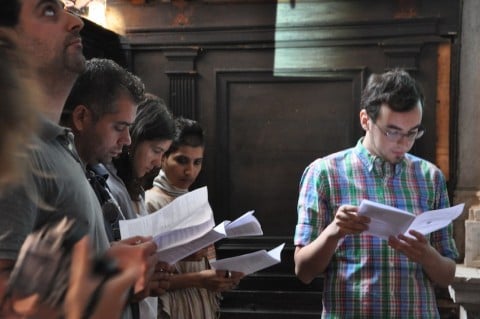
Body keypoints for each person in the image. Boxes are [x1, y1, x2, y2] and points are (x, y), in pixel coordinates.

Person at [0, 2, 157, 318]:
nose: (76, 22)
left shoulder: (58, 146)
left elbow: (43, 270)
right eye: (48, 11)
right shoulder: (18, 152)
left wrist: (107, 258)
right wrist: (109, 275)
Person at [293, 69, 459, 318]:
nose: (403, 143)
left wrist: (426, 255)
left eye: (412, 132)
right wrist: (333, 232)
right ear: (365, 120)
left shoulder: (430, 177)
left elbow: (447, 273)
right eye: (392, 131)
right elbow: (303, 271)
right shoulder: (324, 173)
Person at [62, 60, 172, 319]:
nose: (127, 140)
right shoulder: (55, 170)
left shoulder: (87, 172)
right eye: (119, 128)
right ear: (81, 117)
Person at [145, 117, 243, 319]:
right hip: (168, 309)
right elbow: (145, 279)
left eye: (197, 162)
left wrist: (223, 278)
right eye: (182, 160)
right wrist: (198, 279)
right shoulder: (149, 202)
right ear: (163, 157)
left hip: (201, 305)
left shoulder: (199, 204)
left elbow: (208, 263)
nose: (190, 171)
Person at [104, 95, 176, 319]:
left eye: (164, 153)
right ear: (134, 139)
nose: (158, 163)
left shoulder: (135, 188)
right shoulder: (109, 185)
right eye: (156, 150)